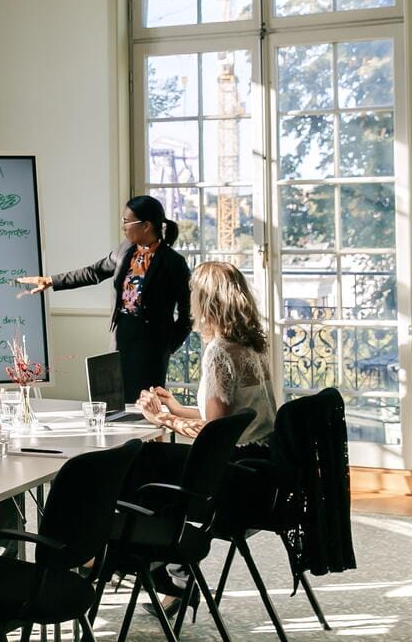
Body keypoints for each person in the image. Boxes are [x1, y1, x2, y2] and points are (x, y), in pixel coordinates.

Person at [128, 260, 278, 619]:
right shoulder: (254, 345)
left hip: (231, 478)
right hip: (260, 467)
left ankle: (157, 569)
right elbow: (226, 420)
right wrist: (177, 409)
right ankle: (171, 575)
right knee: (150, 466)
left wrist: (159, 418)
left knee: (139, 467)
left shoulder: (219, 352)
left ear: (205, 302)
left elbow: (213, 436)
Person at [18, 194, 192, 401]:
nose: (123, 226)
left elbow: (188, 312)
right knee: (115, 401)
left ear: (146, 226)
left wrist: (168, 345)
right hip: (121, 338)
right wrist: (51, 281)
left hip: (151, 348)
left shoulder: (173, 262)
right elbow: (94, 272)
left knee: (147, 407)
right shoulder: (125, 249)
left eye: (127, 221)